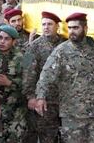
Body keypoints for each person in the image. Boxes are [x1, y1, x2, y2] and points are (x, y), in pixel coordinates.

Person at [35, 12, 94, 142]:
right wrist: (40, 97)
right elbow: (46, 75)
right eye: (70, 28)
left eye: (76, 28)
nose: (72, 31)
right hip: (72, 114)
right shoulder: (61, 51)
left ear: (85, 29)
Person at [23, 12, 65, 143]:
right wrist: (30, 96)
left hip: (65, 100)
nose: (46, 27)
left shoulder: (66, 43)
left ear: (57, 26)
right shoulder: (33, 46)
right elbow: (26, 71)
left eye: (50, 24)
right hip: (45, 100)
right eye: (44, 24)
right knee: (47, 136)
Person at [0, 25, 27, 142]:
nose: (2, 41)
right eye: (0, 37)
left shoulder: (24, 57)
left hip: (15, 109)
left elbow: (29, 82)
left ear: (14, 41)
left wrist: (10, 82)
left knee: (14, 139)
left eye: (7, 39)